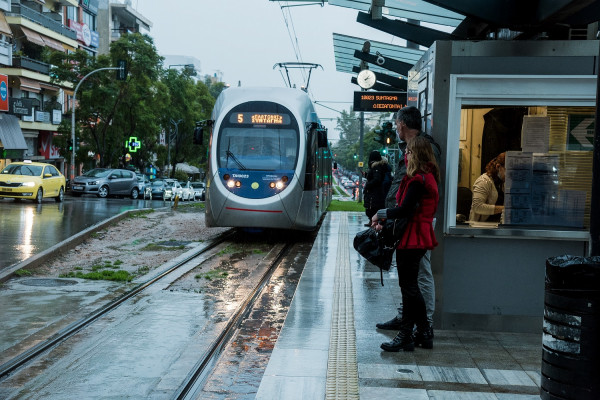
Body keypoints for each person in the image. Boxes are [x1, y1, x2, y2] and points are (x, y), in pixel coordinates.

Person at [371, 135, 440, 351]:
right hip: (418, 234)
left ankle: (408, 334)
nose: (406, 156)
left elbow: (405, 209)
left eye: (408, 152)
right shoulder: (427, 176)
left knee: (409, 288)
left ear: (415, 154)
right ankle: (421, 332)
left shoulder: (418, 179)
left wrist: (380, 214)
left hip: (413, 237)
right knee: (411, 287)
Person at [469, 152, 506, 222]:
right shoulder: (483, 181)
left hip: (497, 225)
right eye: (507, 170)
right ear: (498, 167)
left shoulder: (503, 183)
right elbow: (477, 207)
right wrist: (505, 209)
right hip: (481, 226)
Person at [363, 150, 389, 226]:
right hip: (375, 192)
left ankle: (373, 221)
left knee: (372, 207)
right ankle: (373, 221)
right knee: (372, 207)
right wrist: (367, 175)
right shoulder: (378, 166)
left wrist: (368, 185)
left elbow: (377, 179)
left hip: (374, 192)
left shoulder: (376, 167)